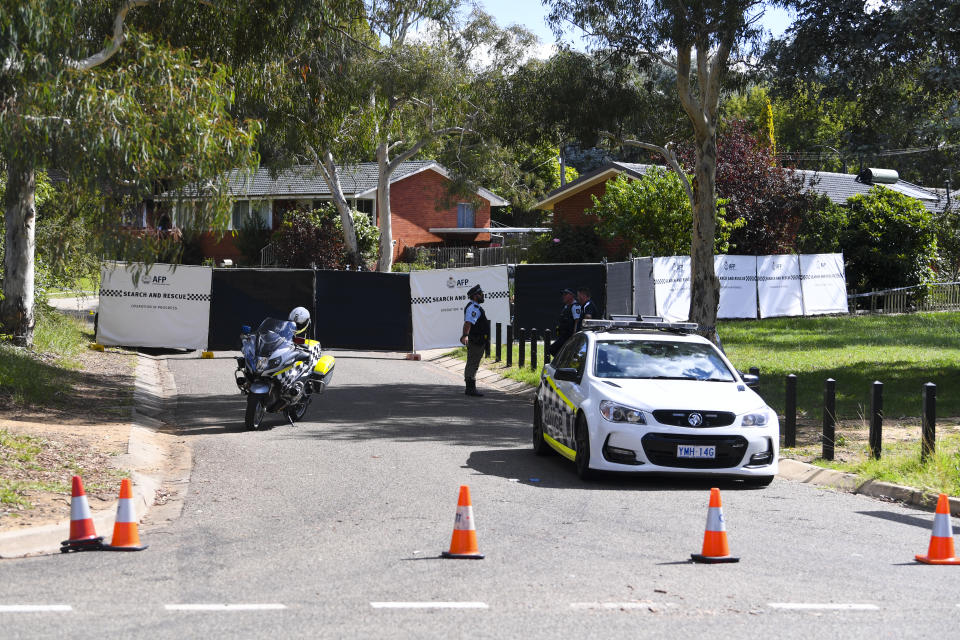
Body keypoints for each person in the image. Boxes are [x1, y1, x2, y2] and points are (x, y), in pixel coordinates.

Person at [460, 284, 489, 397]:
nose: (483, 296)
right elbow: (468, 322)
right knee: (473, 362)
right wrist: (465, 335)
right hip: (476, 340)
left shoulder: (474, 306)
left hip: (478, 340)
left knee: (473, 362)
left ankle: (470, 387)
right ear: (475, 296)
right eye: (481, 294)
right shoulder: (474, 308)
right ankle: (470, 388)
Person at [549, 288, 581, 357]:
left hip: (569, 336)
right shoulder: (566, 306)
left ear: (572, 296)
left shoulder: (575, 306)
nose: (563, 296)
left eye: (566, 294)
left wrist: (574, 336)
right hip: (563, 335)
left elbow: (577, 321)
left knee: (553, 349)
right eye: (563, 294)